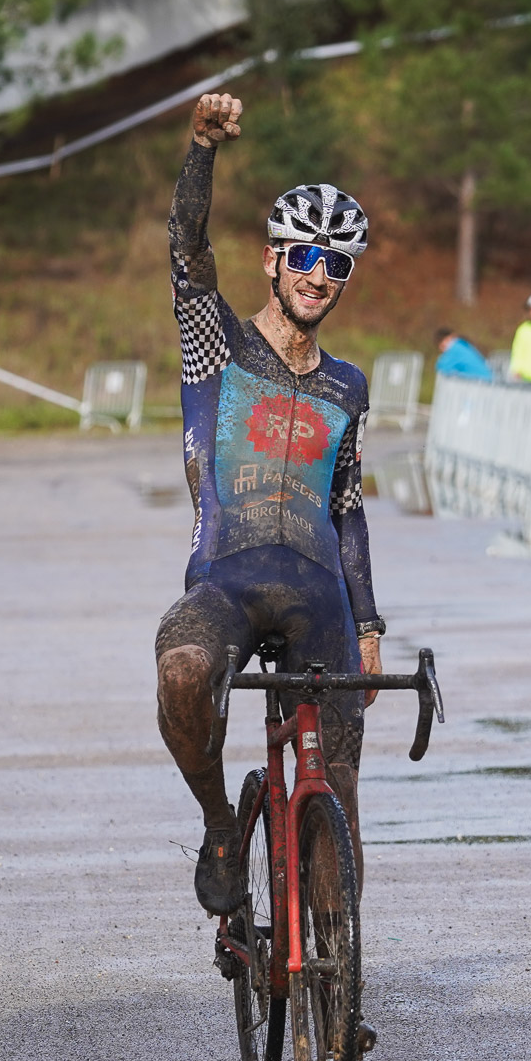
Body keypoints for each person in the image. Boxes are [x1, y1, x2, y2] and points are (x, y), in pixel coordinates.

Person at [156, 92, 384, 929]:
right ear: (271, 261)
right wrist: (202, 152)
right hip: (226, 580)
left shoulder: (347, 385)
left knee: (342, 802)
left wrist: (369, 621)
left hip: (320, 598)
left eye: (337, 263)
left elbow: (348, 507)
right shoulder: (220, 345)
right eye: (302, 257)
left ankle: (335, 983)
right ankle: (222, 824)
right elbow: (186, 252)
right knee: (182, 673)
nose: (318, 275)